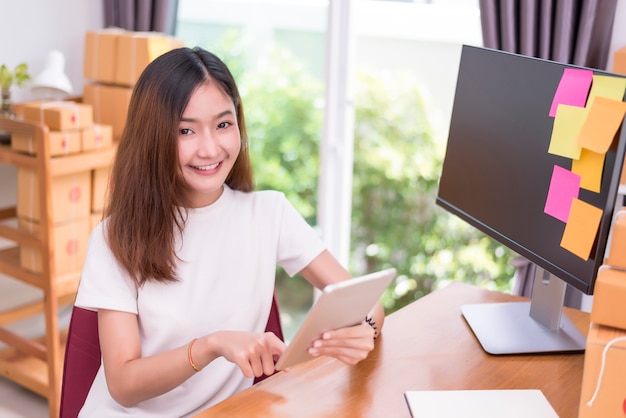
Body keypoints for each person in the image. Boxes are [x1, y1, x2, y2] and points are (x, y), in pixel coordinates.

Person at [74, 46, 385, 417]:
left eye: (223, 124)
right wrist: (210, 346)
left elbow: (365, 301)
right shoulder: (115, 237)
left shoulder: (268, 213)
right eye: (186, 130)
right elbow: (123, 386)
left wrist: (365, 328)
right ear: (152, 137)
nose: (210, 148)